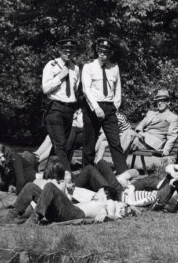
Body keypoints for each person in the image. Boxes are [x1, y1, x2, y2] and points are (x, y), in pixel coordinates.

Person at [81, 38, 128, 174]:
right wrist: (96, 108)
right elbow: (86, 90)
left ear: (110, 53)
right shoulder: (88, 67)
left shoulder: (114, 67)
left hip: (109, 107)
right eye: (101, 51)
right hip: (92, 108)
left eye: (106, 52)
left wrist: (116, 105)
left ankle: (123, 174)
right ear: (97, 51)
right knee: (89, 145)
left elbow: (118, 88)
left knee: (115, 143)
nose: (103, 54)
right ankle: (87, 174)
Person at [42, 39, 81, 174]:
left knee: (60, 145)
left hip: (69, 110)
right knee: (60, 145)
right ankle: (66, 173)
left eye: (71, 50)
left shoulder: (75, 68)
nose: (68, 53)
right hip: (55, 109)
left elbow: (75, 89)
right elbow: (45, 88)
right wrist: (59, 77)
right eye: (65, 50)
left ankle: (48, 173)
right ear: (60, 51)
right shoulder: (51, 66)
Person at [130, 89, 178, 156]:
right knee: (124, 135)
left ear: (168, 102)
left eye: (162, 101)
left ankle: (119, 163)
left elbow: (172, 136)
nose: (159, 103)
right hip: (141, 138)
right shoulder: (151, 113)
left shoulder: (172, 117)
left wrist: (166, 150)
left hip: (152, 144)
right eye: (158, 101)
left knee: (122, 142)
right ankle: (120, 164)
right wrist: (139, 132)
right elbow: (141, 124)